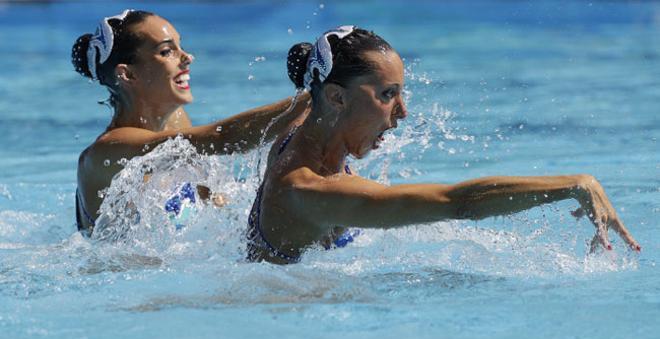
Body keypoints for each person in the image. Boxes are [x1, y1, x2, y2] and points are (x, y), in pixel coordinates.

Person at [246, 26, 641, 264]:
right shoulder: (306, 190)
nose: (402, 113)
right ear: (336, 98)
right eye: (387, 95)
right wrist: (574, 185)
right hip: (285, 312)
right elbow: (458, 204)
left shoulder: (307, 112)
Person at [71, 10, 309, 235]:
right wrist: (314, 95)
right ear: (128, 74)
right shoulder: (106, 153)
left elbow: (211, 196)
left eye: (180, 46)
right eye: (166, 52)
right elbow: (222, 139)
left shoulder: (174, 119)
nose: (187, 58)